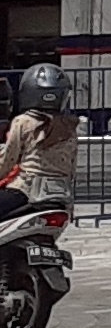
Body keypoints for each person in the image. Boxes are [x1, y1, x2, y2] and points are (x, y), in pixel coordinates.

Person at [0, 64, 78, 223]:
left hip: (26, 191)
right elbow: (72, 167)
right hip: (61, 196)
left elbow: (8, 160)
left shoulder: (23, 122)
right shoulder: (70, 126)